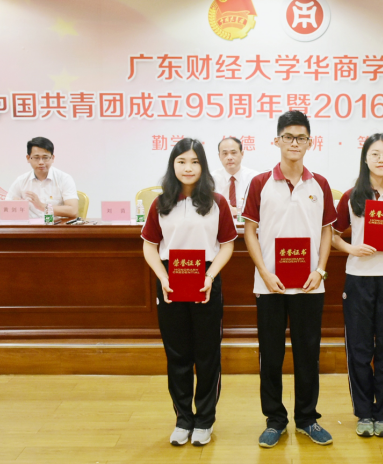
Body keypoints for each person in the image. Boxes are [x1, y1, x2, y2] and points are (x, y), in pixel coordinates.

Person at [242, 111, 337, 448]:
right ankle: (275, 420)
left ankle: (307, 418)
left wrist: (320, 270)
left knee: (308, 353)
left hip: (310, 284)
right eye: (288, 137)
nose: (294, 143)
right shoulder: (260, 183)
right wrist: (264, 272)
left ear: (310, 142)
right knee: (270, 354)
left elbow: (327, 231)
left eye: (301, 138)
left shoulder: (320, 184)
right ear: (277, 140)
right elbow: (249, 231)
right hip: (270, 285)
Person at [141, 138, 237, 447]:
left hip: (206, 279)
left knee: (207, 355)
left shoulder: (217, 202)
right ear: (173, 165)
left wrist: (210, 276)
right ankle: (183, 419)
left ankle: (205, 419)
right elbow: (149, 246)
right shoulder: (161, 203)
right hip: (170, 280)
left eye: (195, 161)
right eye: (181, 161)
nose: (188, 167)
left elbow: (227, 245)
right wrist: (162, 276)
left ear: (203, 166)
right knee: (177, 355)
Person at [331, 133, 383, 438]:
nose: (381, 160)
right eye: (375, 154)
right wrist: (351, 249)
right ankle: (364, 413)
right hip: (359, 279)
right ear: (365, 158)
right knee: (359, 348)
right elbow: (333, 236)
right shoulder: (351, 195)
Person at [5, 137, 78, 218]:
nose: (41, 162)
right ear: (28, 158)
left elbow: (73, 211)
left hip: (55, 225)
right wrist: (14, 206)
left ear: (52, 158)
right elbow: (0, 212)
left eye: (45, 157)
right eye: (36, 158)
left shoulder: (64, 179)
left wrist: (42, 206)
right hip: (30, 225)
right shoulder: (21, 181)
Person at [211, 137, 258, 217]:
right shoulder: (212, 179)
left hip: (248, 222)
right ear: (219, 156)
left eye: (233, 153)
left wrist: (238, 211)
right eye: (225, 154)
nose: (229, 157)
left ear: (242, 154)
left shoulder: (254, 178)